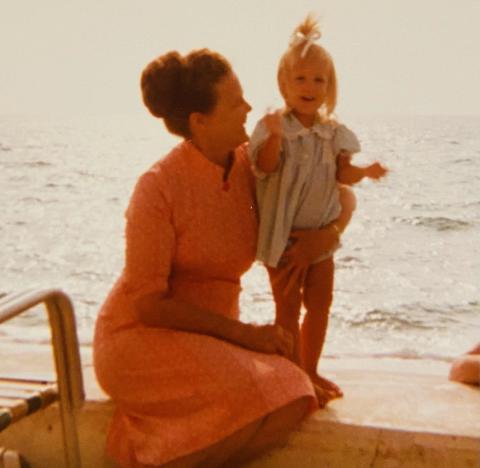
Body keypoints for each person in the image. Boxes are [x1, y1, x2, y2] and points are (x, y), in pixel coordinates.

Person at [93, 48, 331, 468]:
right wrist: (243, 336)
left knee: (296, 395)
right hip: (137, 339)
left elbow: (323, 194)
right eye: (235, 100)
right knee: (278, 389)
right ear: (200, 121)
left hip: (213, 341)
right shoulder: (157, 187)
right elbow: (148, 304)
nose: (249, 107)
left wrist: (325, 236)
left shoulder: (251, 166)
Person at [249, 16, 387, 400]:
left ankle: (310, 368)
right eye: (301, 79)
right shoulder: (276, 128)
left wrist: (365, 171)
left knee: (321, 305)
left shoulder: (333, 133)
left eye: (319, 80)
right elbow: (266, 167)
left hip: (323, 238)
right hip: (284, 239)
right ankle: (292, 376)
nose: (310, 87)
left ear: (330, 87)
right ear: (283, 85)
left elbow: (343, 174)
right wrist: (275, 137)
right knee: (288, 307)